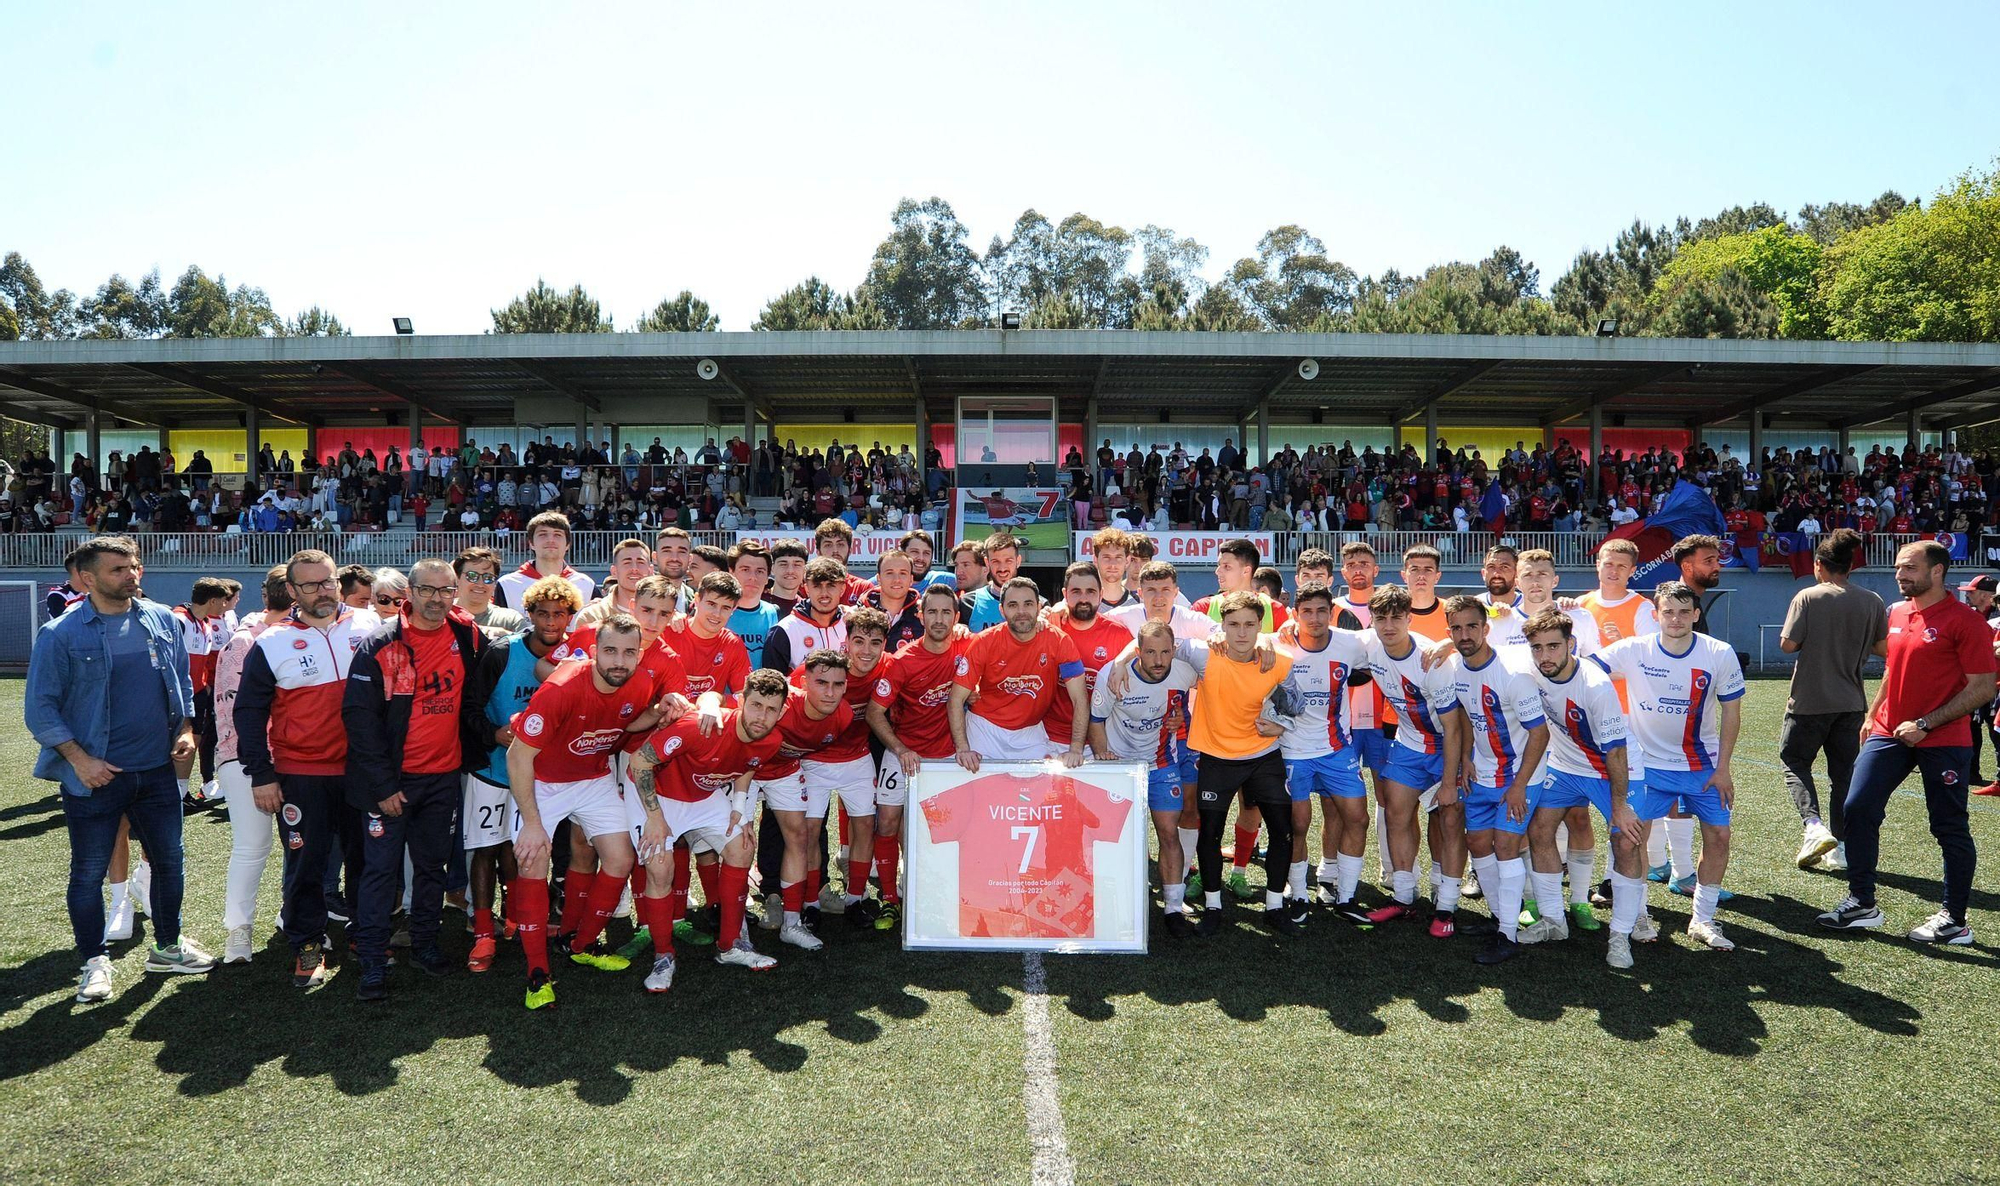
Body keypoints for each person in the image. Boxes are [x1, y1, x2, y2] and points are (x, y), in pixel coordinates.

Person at [27, 536, 214, 1002]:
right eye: (118, 569)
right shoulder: (61, 634)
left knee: (170, 862)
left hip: (155, 772)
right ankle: (94, 961)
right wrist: (80, 760)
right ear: (88, 578)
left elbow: (181, 683)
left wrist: (185, 729)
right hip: (96, 776)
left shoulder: (161, 620)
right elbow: (41, 710)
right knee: (87, 872)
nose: (131, 575)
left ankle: (168, 946)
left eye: (134, 566)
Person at [1817, 540, 1995, 947]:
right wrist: (1871, 715)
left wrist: (1926, 722)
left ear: (1937, 572)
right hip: (1888, 731)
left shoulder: (1967, 622)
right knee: (1857, 807)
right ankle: (1862, 902)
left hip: (1943, 737)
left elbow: (1982, 688)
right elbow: (1893, 669)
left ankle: (1955, 920)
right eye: (1898, 568)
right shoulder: (1895, 612)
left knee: (1948, 826)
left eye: (1910, 568)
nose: (1900, 575)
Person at [504, 614, 674, 1010]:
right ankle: (537, 973)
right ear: (594, 650)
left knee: (620, 858)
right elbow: (518, 756)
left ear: (639, 655)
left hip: (592, 778)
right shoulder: (560, 687)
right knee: (533, 860)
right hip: (543, 782)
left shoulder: (641, 682)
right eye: (611, 651)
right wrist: (532, 823)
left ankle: (580, 944)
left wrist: (659, 711)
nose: (620, 660)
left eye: (629, 652)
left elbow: (628, 721)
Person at [342, 558, 489, 1002]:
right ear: (411, 592)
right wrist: (385, 786)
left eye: (446, 590)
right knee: (379, 874)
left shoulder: (466, 635)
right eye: (428, 590)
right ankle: (371, 960)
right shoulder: (381, 643)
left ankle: (425, 944)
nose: (437, 598)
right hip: (392, 783)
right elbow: (360, 719)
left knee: (432, 869)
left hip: (443, 777)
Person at [235, 549, 382, 989]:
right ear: (293, 591)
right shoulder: (271, 640)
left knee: (366, 859)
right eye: (311, 585)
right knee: (307, 863)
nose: (324, 591)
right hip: (302, 772)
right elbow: (248, 711)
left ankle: (365, 936)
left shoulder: (370, 626)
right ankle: (308, 943)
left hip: (363, 771)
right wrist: (261, 773)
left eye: (329, 581)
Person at [1594, 582, 1745, 951]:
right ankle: (1640, 912)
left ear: (1696, 614)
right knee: (1633, 839)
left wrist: (1723, 767)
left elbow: (1732, 711)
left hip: (1703, 766)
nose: (1675, 619)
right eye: (1667, 612)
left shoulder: (1719, 653)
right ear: (1656, 614)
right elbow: (1583, 669)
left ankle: (1703, 919)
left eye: (1683, 612)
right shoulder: (1634, 649)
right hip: (1647, 767)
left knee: (1719, 837)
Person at [627, 669, 791, 984]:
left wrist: (739, 810)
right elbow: (639, 761)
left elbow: (748, 764)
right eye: (756, 705)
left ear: (782, 712)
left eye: (772, 710)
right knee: (660, 869)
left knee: (742, 847)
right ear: (741, 701)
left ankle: (730, 945)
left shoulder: (771, 739)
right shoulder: (699, 727)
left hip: (702, 796)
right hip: (656, 797)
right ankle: (663, 957)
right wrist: (656, 818)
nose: (762, 716)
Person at [459, 576, 580, 973]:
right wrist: (494, 733)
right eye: (542, 613)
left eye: (559, 614)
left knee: (524, 849)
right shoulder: (501, 652)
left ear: (570, 616)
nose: (550, 621)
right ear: (528, 613)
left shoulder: (575, 657)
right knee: (485, 846)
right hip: (493, 768)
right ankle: (482, 931)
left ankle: (516, 918)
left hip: (541, 776)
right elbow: (470, 706)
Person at [1519, 609, 1651, 968]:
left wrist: (1620, 805)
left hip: (1616, 769)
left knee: (1626, 840)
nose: (1544, 656)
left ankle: (1620, 936)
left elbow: (1616, 751)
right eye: (1537, 648)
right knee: (1539, 829)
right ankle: (1552, 921)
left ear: (1570, 645)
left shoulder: (1595, 685)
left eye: (1553, 647)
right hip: (1565, 766)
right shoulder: (1530, 664)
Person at [1440, 594, 1549, 965]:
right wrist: (1467, 758)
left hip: (1520, 777)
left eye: (1472, 626)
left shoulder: (1513, 672)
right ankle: (1499, 918)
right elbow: (1470, 717)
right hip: (1483, 773)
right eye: (1456, 628)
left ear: (1486, 629)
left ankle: (1508, 933)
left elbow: (1540, 734)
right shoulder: (1455, 669)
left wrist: (1519, 785)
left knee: (1505, 846)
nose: (1464, 633)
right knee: (1479, 844)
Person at [1356, 586, 1465, 934]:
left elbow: (1452, 729)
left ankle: (1446, 906)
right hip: (1409, 744)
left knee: (1449, 820)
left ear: (1408, 618)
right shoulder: (1368, 644)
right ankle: (1403, 897)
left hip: (1449, 746)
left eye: (1395, 617)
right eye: (1380, 618)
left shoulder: (1432, 661)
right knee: (1396, 812)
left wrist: (1449, 782)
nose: (1388, 625)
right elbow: (1322, 638)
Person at [866, 583, 975, 932]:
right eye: (932, 611)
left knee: (944, 830)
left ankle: (940, 893)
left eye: (947, 612)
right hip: (905, 754)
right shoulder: (903, 662)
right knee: (886, 823)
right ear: (920, 615)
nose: (939, 619)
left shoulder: (966, 646)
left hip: (947, 756)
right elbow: (873, 713)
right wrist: (900, 749)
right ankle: (889, 899)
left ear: (957, 617)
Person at [1778, 530, 1884, 874]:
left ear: (1819, 565)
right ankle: (1838, 848)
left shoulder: (1808, 596)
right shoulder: (1873, 600)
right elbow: (1883, 650)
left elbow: (1788, 645)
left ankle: (1813, 827)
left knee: (1793, 760)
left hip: (1809, 700)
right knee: (1843, 776)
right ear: (1850, 566)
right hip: (1852, 701)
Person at [1089, 620, 1202, 937]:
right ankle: (1113, 904)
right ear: (1136, 652)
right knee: (1115, 838)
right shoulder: (1114, 676)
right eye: (1150, 652)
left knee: (1168, 833)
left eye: (1165, 652)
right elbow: (1095, 722)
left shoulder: (1184, 671)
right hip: (1120, 767)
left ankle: (1173, 909)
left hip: (1161, 763)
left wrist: (1183, 718)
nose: (1158, 660)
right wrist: (1104, 760)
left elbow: (1212, 691)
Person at [1273, 583, 1371, 924]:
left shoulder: (1351, 643)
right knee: (1297, 825)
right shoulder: (1277, 645)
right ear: (1294, 614)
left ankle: (1346, 896)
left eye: (1321, 611)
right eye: (1306, 612)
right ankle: (1298, 893)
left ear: (1332, 613)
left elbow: (1397, 642)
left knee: (1358, 818)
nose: (1314, 619)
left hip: (1336, 749)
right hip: (1292, 751)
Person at [213, 566, 292, 964]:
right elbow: (233, 717)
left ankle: (292, 918)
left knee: (302, 847)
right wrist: (259, 768)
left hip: (300, 759)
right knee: (252, 846)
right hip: (246, 760)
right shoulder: (244, 642)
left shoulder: (311, 635)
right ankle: (237, 932)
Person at [798, 608, 894, 932]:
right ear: (846, 642)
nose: (866, 650)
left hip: (857, 758)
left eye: (875, 643)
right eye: (859, 641)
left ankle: (855, 899)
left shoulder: (889, 667)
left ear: (884, 645)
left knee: (865, 827)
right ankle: (811, 902)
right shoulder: (825, 667)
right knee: (809, 831)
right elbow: (792, 694)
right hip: (816, 759)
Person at [754, 649, 854, 949]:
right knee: (738, 844)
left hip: (784, 771)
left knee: (799, 836)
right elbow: (731, 707)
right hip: (746, 765)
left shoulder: (844, 716)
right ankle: (740, 927)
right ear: (803, 680)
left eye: (838, 685)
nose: (830, 692)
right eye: (821, 683)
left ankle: (792, 922)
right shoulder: (781, 703)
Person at [949, 577, 1087, 767]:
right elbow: (956, 699)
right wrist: (963, 749)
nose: (1021, 612)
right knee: (983, 794)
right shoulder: (984, 642)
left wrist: (1076, 749)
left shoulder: (1059, 640)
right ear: (1002, 610)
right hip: (985, 729)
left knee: (1038, 794)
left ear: (1038, 608)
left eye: (1028, 604)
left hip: (1030, 732)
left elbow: (1080, 698)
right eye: (1013, 605)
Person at [172, 576, 234, 811]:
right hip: (178, 695)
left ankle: (181, 792)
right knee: (178, 743)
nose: (225, 605)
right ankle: (172, 794)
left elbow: (204, 660)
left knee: (192, 743)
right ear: (212, 600)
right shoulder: (179, 620)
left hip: (197, 693)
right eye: (222, 601)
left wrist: (206, 685)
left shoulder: (205, 622)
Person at [764, 557, 849, 674]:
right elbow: (773, 686)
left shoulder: (851, 623)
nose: (824, 593)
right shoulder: (785, 630)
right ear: (807, 589)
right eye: (817, 586)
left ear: (842, 589)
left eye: (831, 585)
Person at [497, 510, 596, 608]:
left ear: (567, 544)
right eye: (542, 534)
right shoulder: (508, 585)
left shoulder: (587, 585)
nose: (550, 540)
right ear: (531, 543)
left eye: (557, 534)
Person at [453, 546, 527, 638]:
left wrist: (509, 637)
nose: (480, 584)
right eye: (472, 576)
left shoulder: (510, 620)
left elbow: (532, 648)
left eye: (488, 578)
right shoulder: (442, 615)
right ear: (457, 579)